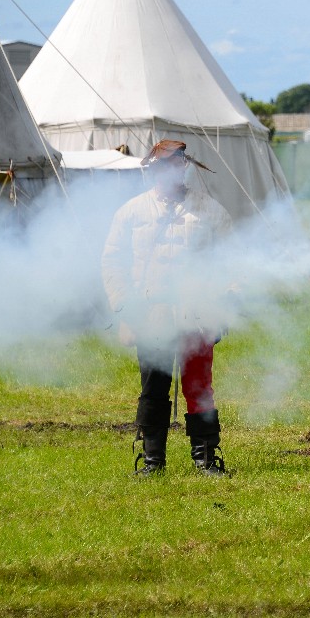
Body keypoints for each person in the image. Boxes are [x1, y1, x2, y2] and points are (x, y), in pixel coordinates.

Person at [102, 139, 233, 477]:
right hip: (150, 314)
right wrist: (124, 303)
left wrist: (224, 304)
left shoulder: (211, 210)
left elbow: (231, 261)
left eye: (175, 166)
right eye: (162, 168)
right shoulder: (131, 212)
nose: (169, 173)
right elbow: (113, 259)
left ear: (184, 167)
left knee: (199, 386)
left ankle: (205, 459)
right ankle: (152, 461)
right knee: (154, 389)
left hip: (198, 313)